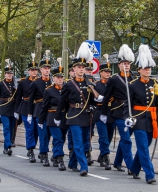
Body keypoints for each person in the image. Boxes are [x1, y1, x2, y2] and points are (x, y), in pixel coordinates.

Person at [54, 42, 98, 176]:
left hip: (85, 116)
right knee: (78, 142)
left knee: (85, 143)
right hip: (73, 116)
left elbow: (91, 100)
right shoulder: (68, 84)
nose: (81, 69)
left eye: (83, 67)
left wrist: (93, 107)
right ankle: (84, 167)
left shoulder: (88, 83)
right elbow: (62, 102)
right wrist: (57, 117)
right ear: (74, 68)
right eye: (79, 67)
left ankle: (72, 163)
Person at [124, 44, 158, 184]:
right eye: (145, 68)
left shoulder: (155, 83)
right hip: (138, 119)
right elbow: (127, 105)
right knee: (143, 148)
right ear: (139, 70)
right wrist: (127, 117)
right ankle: (150, 174)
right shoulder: (133, 85)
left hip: (151, 119)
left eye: (149, 68)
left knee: (145, 147)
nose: (147, 70)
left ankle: (134, 168)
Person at [100, 44, 135, 174]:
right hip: (119, 112)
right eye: (123, 63)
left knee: (125, 139)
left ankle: (118, 161)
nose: (126, 66)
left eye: (128, 64)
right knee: (126, 139)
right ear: (119, 65)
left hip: (131, 113)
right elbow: (107, 97)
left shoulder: (133, 78)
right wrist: (103, 113)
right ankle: (131, 167)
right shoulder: (114, 79)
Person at [39, 64, 67, 171]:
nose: (60, 79)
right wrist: (41, 120)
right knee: (57, 137)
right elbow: (44, 106)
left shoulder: (67, 88)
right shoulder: (49, 90)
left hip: (64, 116)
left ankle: (55, 155)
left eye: (61, 77)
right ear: (53, 78)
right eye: (58, 77)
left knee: (62, 138)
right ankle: (60, 159)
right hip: (52, 116)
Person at [28, 51, 52, 166]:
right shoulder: (36, 83)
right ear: (41, 70)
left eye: (48, 68)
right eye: (45, 68)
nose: (47, 70)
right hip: (39, 109)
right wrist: (29, 114)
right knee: (43, 134)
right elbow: (30, 99)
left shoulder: (53, 81)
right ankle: (44, 153)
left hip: (51, 111)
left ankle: (46, 151)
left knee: (50, 134)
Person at [15, 54, 39, 162]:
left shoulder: (39, 82)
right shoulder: (23, 82)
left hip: (37, 108)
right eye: (32, 70)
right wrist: (16, 110)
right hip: (25, 108)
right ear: (28, 71)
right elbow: (18, 97)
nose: (34, 72)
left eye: (36, 70)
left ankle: (33, 146)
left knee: (37, 130)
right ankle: (30, 149)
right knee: (30, 130)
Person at [93, 62, 115, 170]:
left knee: (109, 137)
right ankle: (106, 157)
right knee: (103, 137)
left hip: (111, 112)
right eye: (105, 71)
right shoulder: (96, 85)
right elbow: (93, 99)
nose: (108, 73)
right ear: (100, 72)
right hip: (100, 112)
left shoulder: (113, 84)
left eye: (109, 72)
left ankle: (101, 155)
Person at [0, 63, 17, 156]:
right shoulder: (1, 84)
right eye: (8, 73)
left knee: (11, 128)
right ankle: (9, 146)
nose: (10, 74)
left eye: (11, 73)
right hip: (4, 107)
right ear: (5, 74)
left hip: (13, 107)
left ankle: (6, 147)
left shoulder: (15, 83)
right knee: (6, 127)